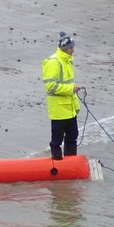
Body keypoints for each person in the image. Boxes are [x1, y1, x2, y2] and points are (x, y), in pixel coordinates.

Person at [42, 32, 83, 160]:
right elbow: (50, 86)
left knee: (72, 137)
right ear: (65, 49)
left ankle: (70, 165)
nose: (73, 50)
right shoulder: (54, 62)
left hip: (70, 110)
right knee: (56, 141)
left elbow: (69, 84)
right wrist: (71, 89)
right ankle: (57, 165)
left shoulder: (68, 62)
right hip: (59, 111)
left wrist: (76, 105)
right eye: (71, 47)